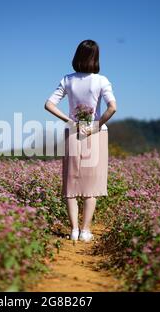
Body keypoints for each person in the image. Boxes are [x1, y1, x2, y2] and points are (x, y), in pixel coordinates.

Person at [44, 39, 117, 242]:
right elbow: (113, 107)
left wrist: (69, 120)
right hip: (96, 134)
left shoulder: (67, 80)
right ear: (96, 57)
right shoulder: (102, 80)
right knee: (91, 185)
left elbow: (48, 104)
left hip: (73, 133)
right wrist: (96, 124)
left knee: (71, 183)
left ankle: (74, 230)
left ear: (77, 56)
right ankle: (85, 230)